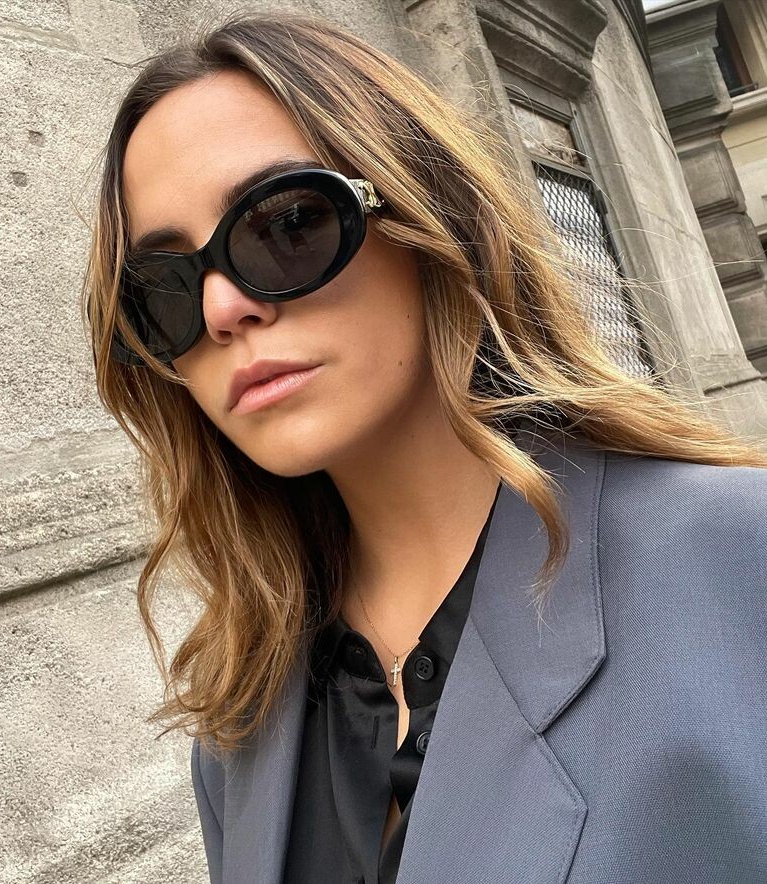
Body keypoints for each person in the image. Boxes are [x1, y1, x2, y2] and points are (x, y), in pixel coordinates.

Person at [80, 10, 767, 884]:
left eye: (285, 223)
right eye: (164, 289)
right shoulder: (238, 727)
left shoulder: (736, 564)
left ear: (425, 214)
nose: (222, 310)